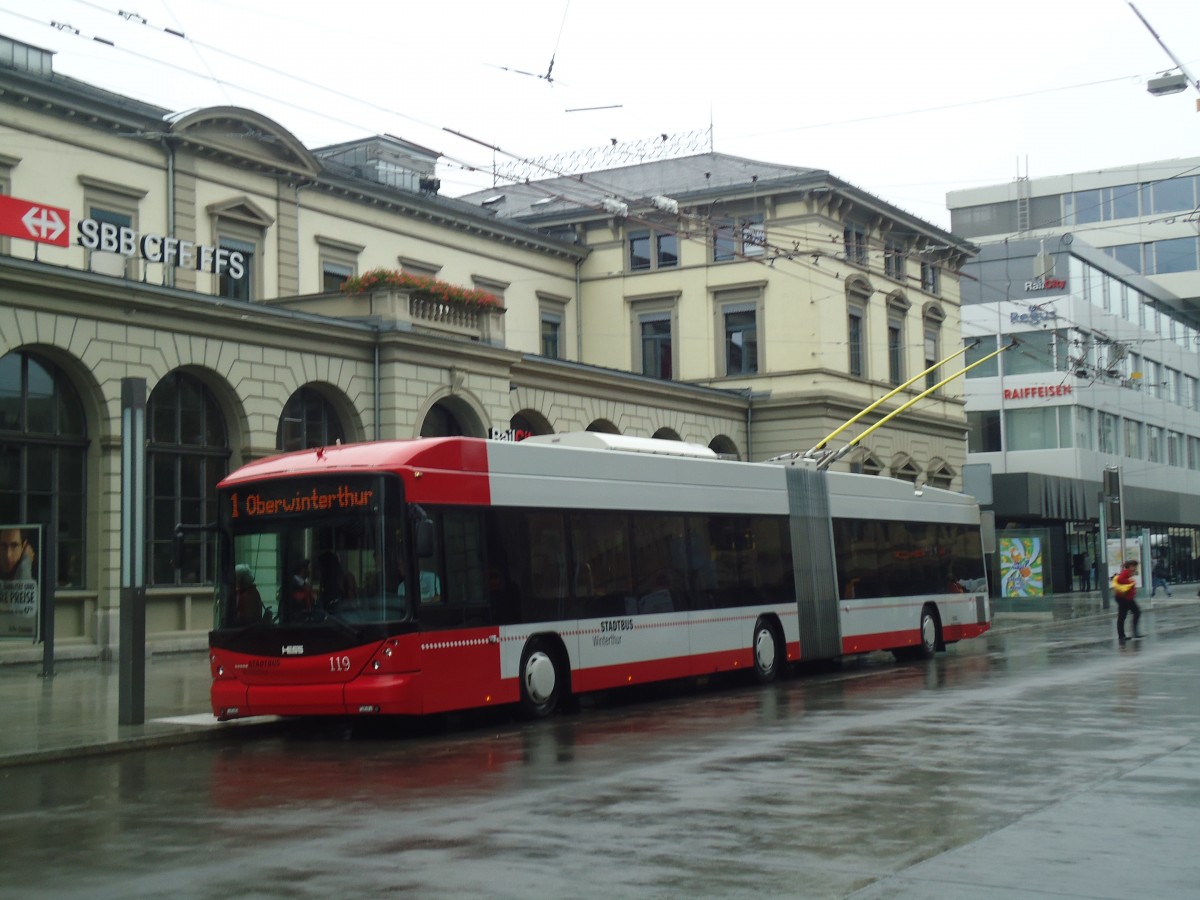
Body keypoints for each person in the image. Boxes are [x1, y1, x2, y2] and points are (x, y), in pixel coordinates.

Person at [1111, 559, 1142, 644]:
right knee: (1134, 613)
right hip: (1124, 598)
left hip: (1125, 598)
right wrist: (1130, 582)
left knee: (1124, 616)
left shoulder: (1128, 573)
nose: (1135, 568)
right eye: (1134, 566)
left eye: (1135, 566)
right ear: (1130, 566)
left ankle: (1123, 635)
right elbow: (1120, 580)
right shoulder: (1126, 572)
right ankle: (1128, 634)